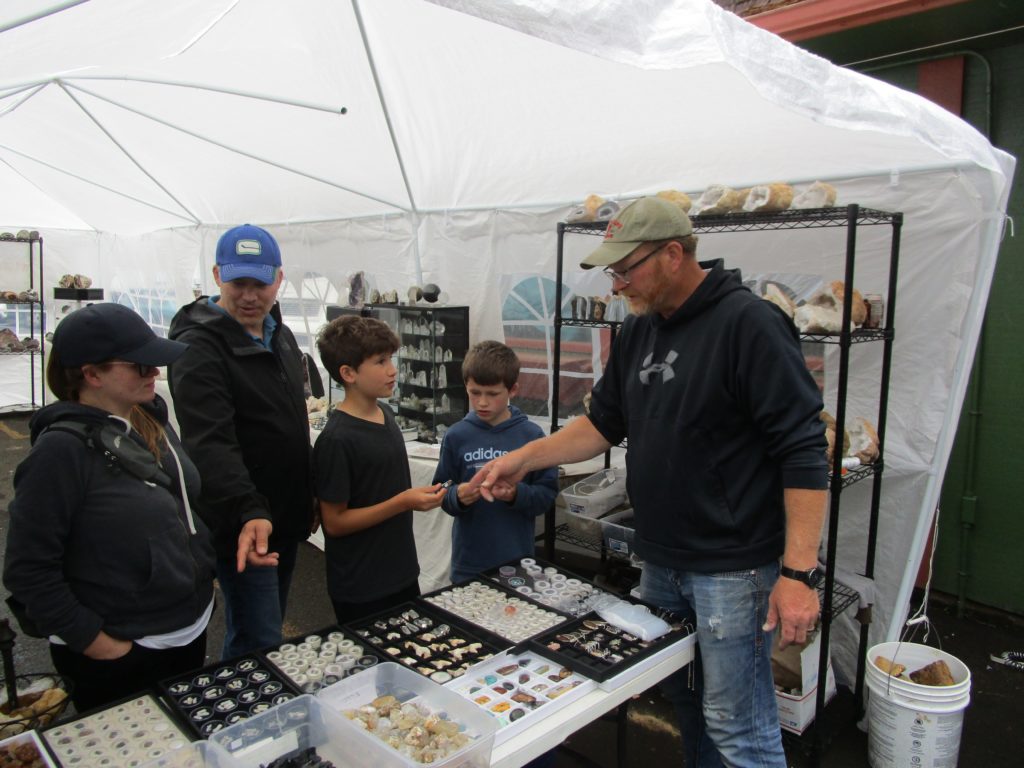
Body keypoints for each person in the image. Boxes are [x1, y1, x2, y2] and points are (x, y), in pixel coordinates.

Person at [471, 196, 828, 768]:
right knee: (686, 700)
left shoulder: (750, 325)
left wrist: (797, 574)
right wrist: (526, 456)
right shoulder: (639, 331)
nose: (616, 286)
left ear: (672, 254)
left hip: (733, 568)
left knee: (739, 727)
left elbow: (805, 451)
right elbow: (603, 425)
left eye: (624, 269)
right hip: (662, 559)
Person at [3, 303, 215, 711]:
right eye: (140, 365)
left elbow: (183, 504)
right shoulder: (60, 452)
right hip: (124, 649)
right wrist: (93, 641)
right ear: (92, 373)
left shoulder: (149, 418)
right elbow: (28, 570)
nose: (154, 373)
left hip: (186, 629)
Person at [168, 224, 314, 659]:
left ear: (278, 278)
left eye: (260, 283)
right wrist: (248, 510)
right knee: (257, 640)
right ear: (217, 276)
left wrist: (309, 492)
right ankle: (249, 719)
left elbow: (292, 424)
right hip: (244, 522)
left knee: (268, 629)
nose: (250, 296)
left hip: (282, 517)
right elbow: (210, 444)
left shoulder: (280, 335)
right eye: (238, 284)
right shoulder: (199, 347)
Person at [313, 315, 445, 624]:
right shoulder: (337, 440)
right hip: (362, 584)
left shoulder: (384, 414)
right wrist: (403, 502)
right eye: (380, 361)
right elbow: (334, 522)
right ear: (348, 373)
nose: (392, 370)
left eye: (391, 359)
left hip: (401, 571)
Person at [431, 340, 558, 583]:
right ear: (466, 386)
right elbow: (441, 489)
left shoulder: (531, 437)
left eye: (492, 394)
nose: (482, 402)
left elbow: (546, 495)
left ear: (513, 390)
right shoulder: (456, 436)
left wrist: (515, 494)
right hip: (468, 563)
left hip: (517, 561)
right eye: (474, 392)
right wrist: (458, 495)